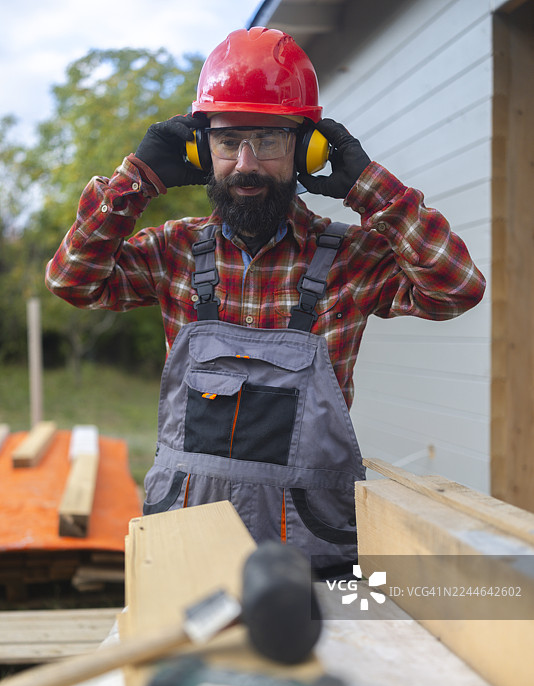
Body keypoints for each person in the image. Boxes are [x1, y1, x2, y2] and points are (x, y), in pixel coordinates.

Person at [45, 27, 485, 577]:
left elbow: (457, 286)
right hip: (188, 541)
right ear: (203, 150)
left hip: (311, 551)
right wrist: (137, 180)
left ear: (306, 150)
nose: (246, 163)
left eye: (270, 141)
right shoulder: (173, 252)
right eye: (229, 142)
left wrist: (373, 190)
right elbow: (71, 280)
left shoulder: (352, 258)